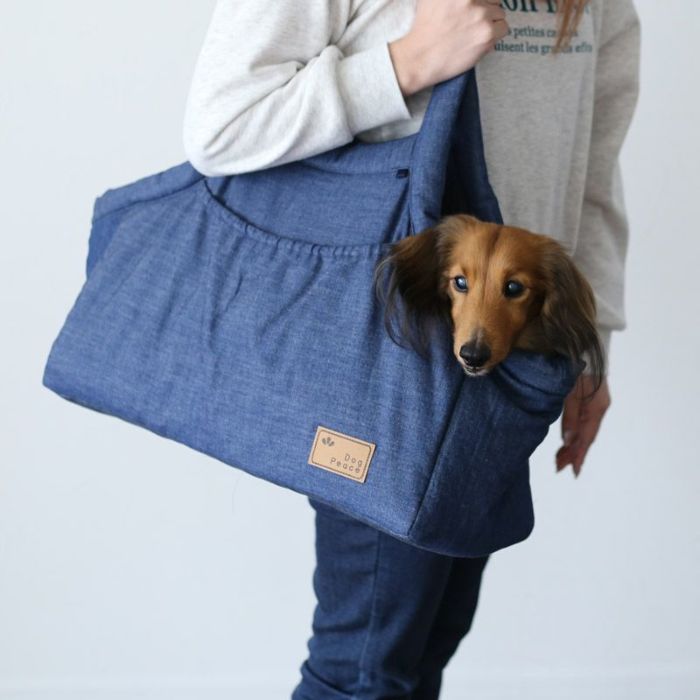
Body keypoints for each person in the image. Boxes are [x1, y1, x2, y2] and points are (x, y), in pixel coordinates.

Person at [182, 0, 640, 697]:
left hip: (514, 371)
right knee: (364, 669)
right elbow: (221, 126)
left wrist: (590, 345)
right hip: (386, 363)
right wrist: (406, 63)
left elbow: (593, 169)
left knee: (425, 650)